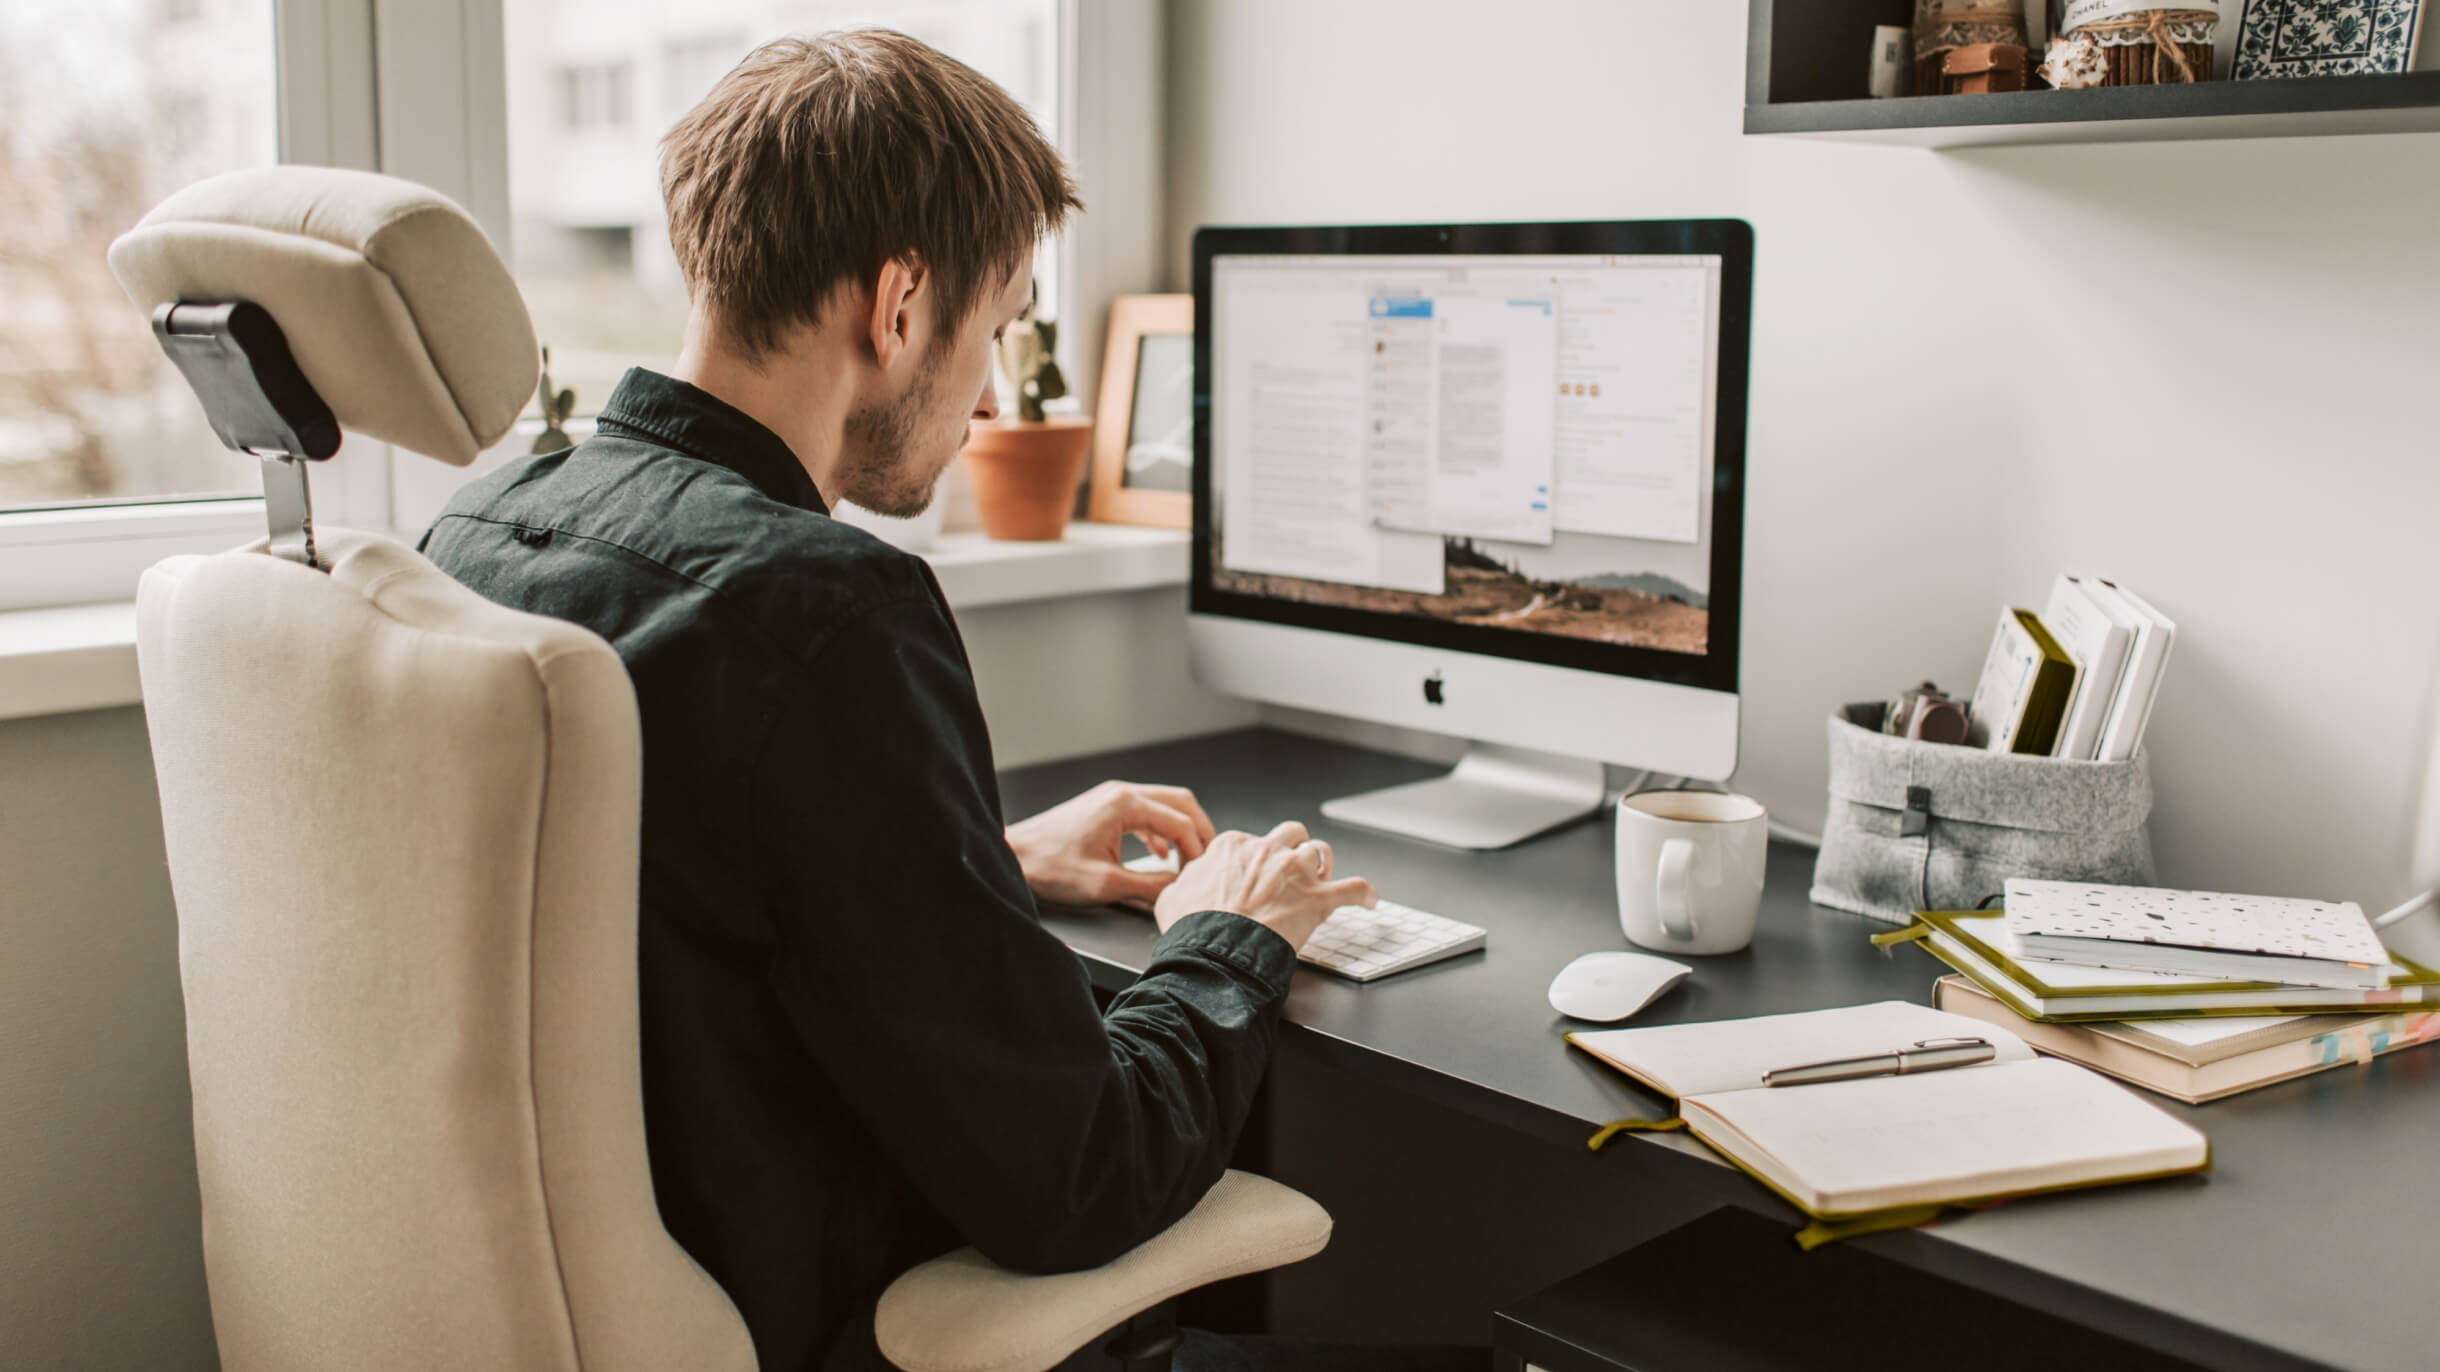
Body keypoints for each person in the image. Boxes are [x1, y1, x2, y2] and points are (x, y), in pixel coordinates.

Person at [422, 29, 1473, 1372]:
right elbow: (1082, 1178)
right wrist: (1226, 937)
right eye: (995, 328)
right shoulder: (824, 612)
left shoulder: (484, 528)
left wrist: (988, 858)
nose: (984, 397)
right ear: (902, 303)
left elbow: (647, 891)